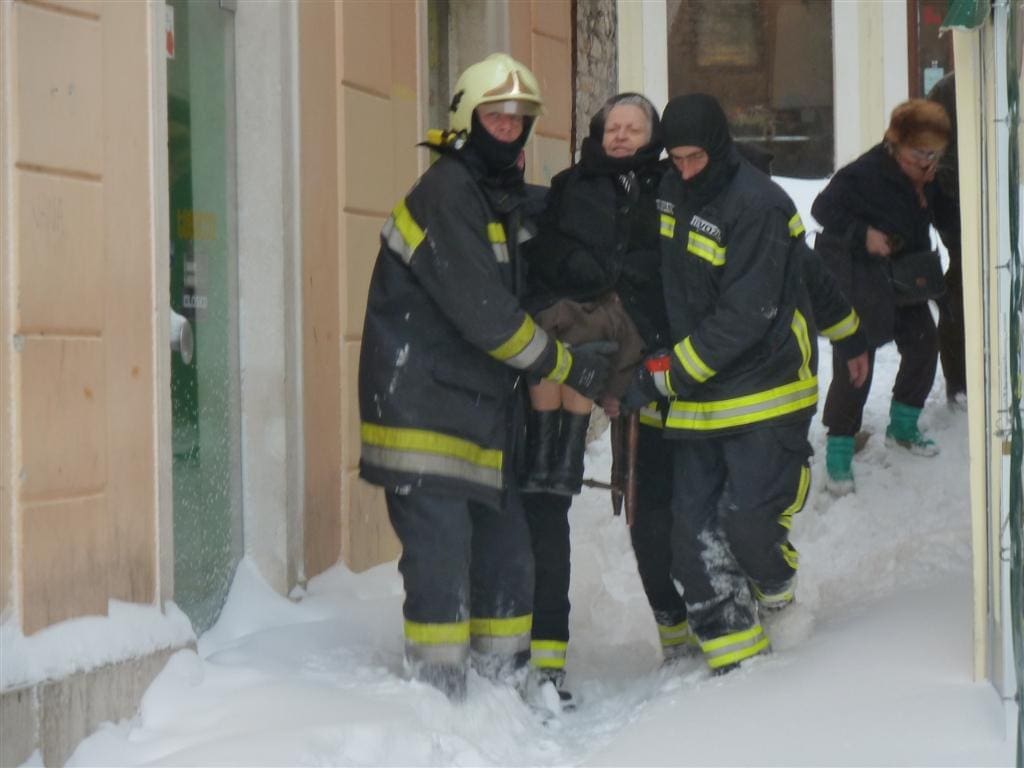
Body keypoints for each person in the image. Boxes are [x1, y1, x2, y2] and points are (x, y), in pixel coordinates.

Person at [357, 53, 616, 701]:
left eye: (519, 118)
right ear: (467, 118)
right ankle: (438, 699)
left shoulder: (493, 194)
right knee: (441, 560)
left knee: (507, 555)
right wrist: (567, 364)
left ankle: (503, 695)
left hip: (476, 415)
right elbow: (489, 317)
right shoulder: (448, 193)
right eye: (496, 116)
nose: (509, 127)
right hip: (422, 413)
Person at [622, 93, 868, 674]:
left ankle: (776, 590)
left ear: (719, 147)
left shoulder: (758, 205)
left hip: (766, 388)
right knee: (692, 537)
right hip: (699, 398)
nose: (686, 171)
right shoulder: (669, 191)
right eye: (677, 159)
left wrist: (847, 333)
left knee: (749, 521)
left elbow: (748, 314)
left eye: (696, 159)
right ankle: (736, 663)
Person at [518, 93, 679, 706]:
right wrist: (578, 268)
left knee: (654, 503)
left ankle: (679, 625)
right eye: (613, 126)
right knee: (562, 334)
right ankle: (555, 448)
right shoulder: (571, 184)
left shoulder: (666, 190)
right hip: (577, 320)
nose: (621, 135)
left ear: (652, 137)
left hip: (642, 344)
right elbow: (545, 252)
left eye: (634, 127)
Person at [812, 99, 951, 495]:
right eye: (918, 153)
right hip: (863, 277)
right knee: (857, 363)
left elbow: (944, 215)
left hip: (906, 277)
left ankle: (903, 426)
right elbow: (822, 209)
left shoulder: (927, 176)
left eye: (933, 154)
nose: (926, 162)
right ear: (895, 143)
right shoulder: (865, 172)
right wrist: (864, 235)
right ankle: (839, 450)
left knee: (924, 343)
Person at [927, 72, 967, 407]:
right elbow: (934, 155)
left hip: (992, 207)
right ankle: (961, 384)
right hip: (960, 210)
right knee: (962, 289)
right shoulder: (952, 89)